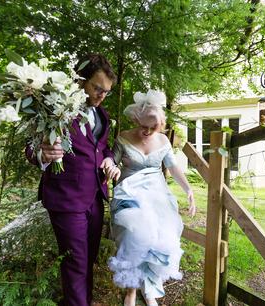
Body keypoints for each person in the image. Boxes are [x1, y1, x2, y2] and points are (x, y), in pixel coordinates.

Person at [25, 53, 121, 306]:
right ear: (81, 81)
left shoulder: (102, 115)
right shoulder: (55, 108)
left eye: (107, 91)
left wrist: (110, 159)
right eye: (97, 88)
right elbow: (31, 147)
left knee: (88, 259)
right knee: (75, 262)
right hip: (66, 198)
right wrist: (43, 153)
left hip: (96, 197)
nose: (102, 95)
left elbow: (102, 148)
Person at [108, 89, 196, 306]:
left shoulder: (164, 141)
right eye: (142, 126)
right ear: (136, 119)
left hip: (156, 194)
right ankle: (131, 289)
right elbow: (111, 160)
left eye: (152, 127)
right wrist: (112, 167)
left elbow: (172, 167)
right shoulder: (124, 137)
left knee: (162, 236)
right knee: (137, 234)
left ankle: (150, 289)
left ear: (161, 124)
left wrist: (189, 190)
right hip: (129, 193)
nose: (147, 131)